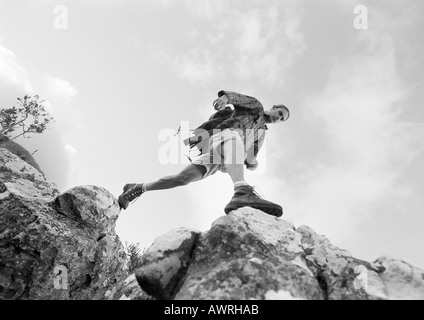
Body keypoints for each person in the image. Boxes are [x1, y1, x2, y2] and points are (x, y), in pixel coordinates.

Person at [118, 90, 290, 217]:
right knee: (235, 136)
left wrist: (253, 163)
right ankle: (242, 190)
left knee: (182, 179)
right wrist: (223, 100)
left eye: (282, 119)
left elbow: (250, 156)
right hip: (224, 133)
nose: (279, 118)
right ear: (274, 108)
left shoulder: (261, 133)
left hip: (221, 159)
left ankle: (138, 188)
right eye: (280, 113)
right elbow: (234, 97)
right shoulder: (256, 107)